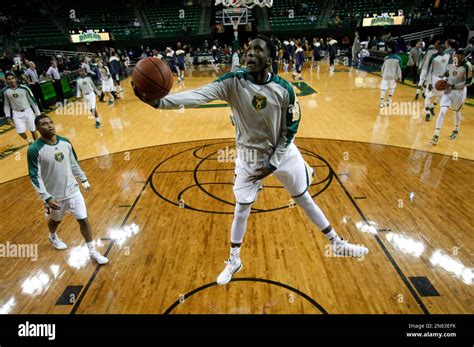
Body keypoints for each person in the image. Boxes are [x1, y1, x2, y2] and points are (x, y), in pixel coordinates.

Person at [132, 35, 368, 285]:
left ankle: (337, 243)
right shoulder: (232, 83)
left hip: (282, 153)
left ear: (270, 58)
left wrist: (273, 164)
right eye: (249, 50)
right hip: (249, 157)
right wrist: (159, 103)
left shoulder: (285, 90)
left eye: (258, 50)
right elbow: (198, 96)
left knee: (304, 199)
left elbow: (291, 130)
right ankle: (234, 260)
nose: (251, 54)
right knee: (241, 209)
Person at [27, 115, 108, 264]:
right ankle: (52, 236)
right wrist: (46, 197)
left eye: (51, 122)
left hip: (73, 190)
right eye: (44, 124)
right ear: (37, 129)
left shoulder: (65, 142)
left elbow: (73, 163)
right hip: (54, 196)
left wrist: (83, 179)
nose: (50, 126)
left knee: (83, 220)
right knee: (55, 222)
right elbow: (34, 176)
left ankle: (92, 251)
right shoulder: (34, 150)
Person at [430, 50, 472, 145]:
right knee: (442, 111)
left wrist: (452, 86)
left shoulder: (468, 66)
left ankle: (456, 130)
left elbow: (469, 82)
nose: (455, 58)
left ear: (463, 56)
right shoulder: (454, 61)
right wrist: (443, 80)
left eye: (458, 56)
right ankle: (436, 135)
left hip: (459, 92)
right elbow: (448, 72)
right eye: (455, 56)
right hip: (448, 90)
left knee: (457, 111)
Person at [3, 72, 39, 144]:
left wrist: (38, 114)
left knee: (33, 130)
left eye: (12, 78)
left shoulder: (24, 88)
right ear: (6, 81)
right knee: (20, 131)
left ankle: (37, 144)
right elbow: (6, 105)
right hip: (16, 113)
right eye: (9, 79)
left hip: (28, 111)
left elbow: (32, 101)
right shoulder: (5, 91)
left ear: (16, 79)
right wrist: (8, 116)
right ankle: (29, 141)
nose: (11, 80)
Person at [424, 43, 449, 121]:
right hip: (433, 77)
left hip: (442, 78)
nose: (441, 48)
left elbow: (446, 67)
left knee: (441, 96)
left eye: (443, 47)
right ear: (437, 48)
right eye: (440, 47)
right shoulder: (433, 57)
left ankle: (432, 107)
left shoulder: (447, 56)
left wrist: (447, 73)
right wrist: (429, 82)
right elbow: (429, 71)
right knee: (428, 96)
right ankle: (427, 112)